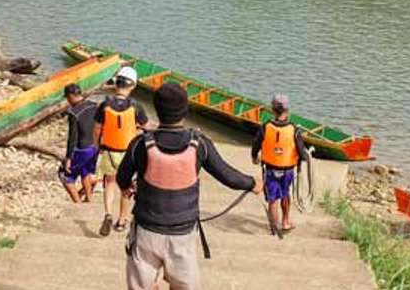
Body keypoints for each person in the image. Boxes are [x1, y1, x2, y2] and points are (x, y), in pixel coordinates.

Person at [118, 81, 262, 290]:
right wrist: (252, 184)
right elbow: (227, 175)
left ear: (156, 109)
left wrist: (127, 186)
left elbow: (122, 177)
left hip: (147, 231)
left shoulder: (140, 144)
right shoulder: (199, 143)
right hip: (182, 235)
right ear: (185, 110)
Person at [95, 66, 149, 236]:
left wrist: (98, 146)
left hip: (109, 151)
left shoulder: (104, 104)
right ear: (132, 86)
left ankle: (108, 213)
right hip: (128, 153)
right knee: (126, 188)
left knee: (109, 183)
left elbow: (97, 129)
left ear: (116, 83)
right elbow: (146, 126)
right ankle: (121, 221)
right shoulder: (136, 106)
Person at [250, 93, 310, 234]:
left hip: (270, 169)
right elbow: (302, 153)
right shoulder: (294, 130)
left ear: (272, 109)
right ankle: (285, 222)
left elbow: (256, 144)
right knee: (285, 194)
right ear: (288, 110)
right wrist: (306, 157)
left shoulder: (266, 127)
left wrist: (254, 156)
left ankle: (274, 226)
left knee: (272, 198)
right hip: (287, 170)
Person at [61, 83, 100, 203]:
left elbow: (72, 137)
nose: (68, 101)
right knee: (85, 171)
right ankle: (88, 199)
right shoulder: (94, 105)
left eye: (67, 98)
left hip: (82, 149)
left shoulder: (73, 113)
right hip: (95, 147)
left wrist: (68, 158)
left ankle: (77, 203)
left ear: (72, 96)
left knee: (65, 176)